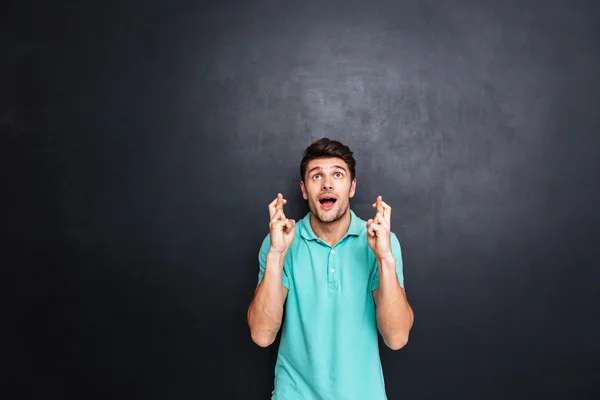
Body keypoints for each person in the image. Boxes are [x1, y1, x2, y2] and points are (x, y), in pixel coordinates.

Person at [247, 138, 414, 400]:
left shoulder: (382, 242)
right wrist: (277, 255)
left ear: (352, 187)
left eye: (338, 174)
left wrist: (384, 258)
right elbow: (261, 335)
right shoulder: (280, 241)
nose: (327, 183)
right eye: (316, 176)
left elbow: (397, 338)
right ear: (304, 190)